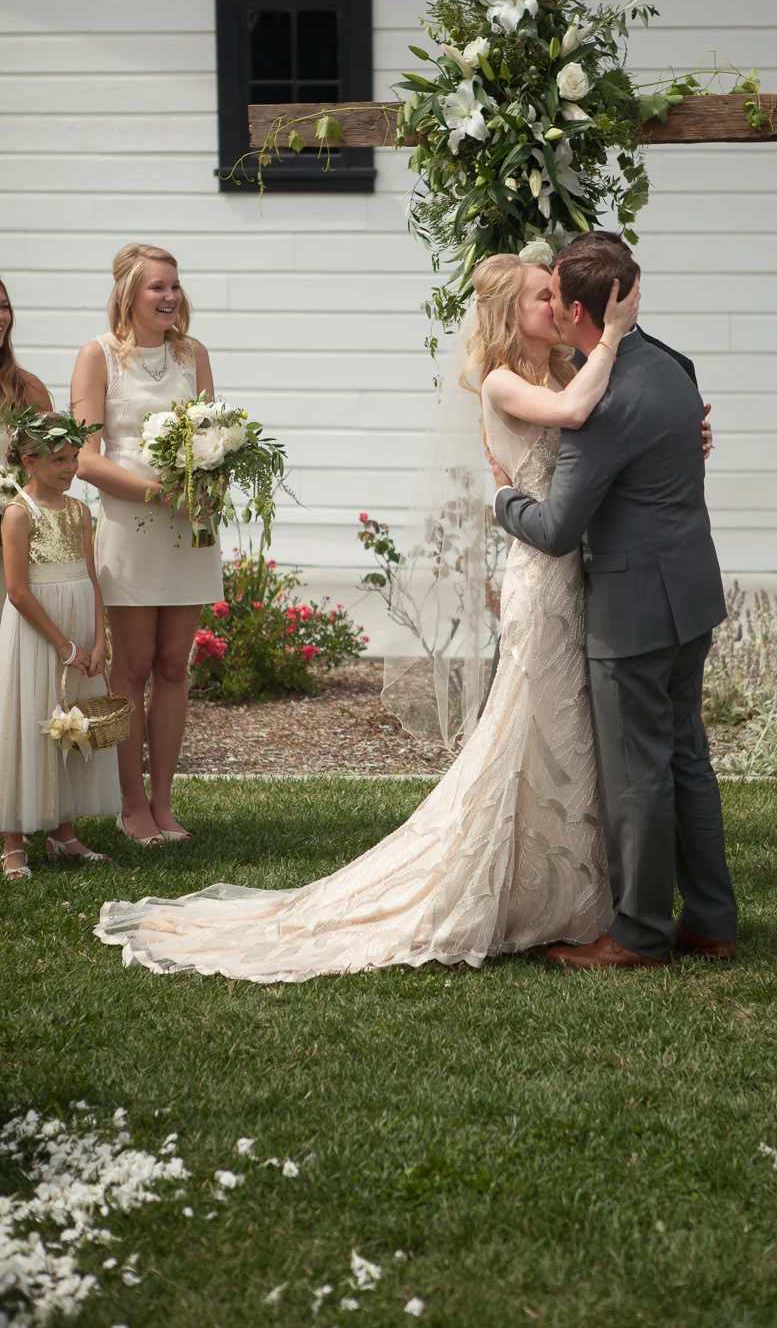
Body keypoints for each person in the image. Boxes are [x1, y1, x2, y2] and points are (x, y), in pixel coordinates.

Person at [93, 255, 640, 979]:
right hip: (538, 575)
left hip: (575, 571)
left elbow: (601, 431)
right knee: (528, 725)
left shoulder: (562, 372)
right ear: (513, 311)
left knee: (563, 729)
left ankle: (564, 888)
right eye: (544, 295)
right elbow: (574, 421)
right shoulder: (506, 382)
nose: (559, 304)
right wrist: (615, 335)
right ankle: (501, 885)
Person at [491, 232, 738, 970]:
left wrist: (504, 499)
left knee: (638, 775)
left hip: (634, 608)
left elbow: (559, 528)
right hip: (691, 594)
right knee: (687, 757)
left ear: (575, 310)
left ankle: (637, 934)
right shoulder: (670, 367)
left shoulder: (603, 408)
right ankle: (713, 921)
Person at [71, 243, 223, 847]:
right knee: (130, 669)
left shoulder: (194, 356)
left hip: (190, 529)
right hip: (131, 528)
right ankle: (129, 806)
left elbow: (214, 437)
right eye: (158, 287)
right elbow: (84, 459)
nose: (170, 297)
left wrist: (210, 482)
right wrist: (160, 494)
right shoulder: (98, 356)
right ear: (129, 295)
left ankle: (163, 803)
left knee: (173, 668)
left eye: (175, 287)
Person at [0, 410, 120, 882]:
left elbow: (91, 578)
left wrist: (97, 638)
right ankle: (12, 840)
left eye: (73, 458)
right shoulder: (16, 513)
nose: (71, 468)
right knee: (30, 725)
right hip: (38, 632)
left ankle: (62, 831)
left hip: (79, 627)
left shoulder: (80, 512)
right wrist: (64, 646)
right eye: (58, 460)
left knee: (72, 726)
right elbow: (18, 592)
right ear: (29, 462)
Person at [0, 274, 55, 605]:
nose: (0, 317)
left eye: (4, 307)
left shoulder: (28, 388)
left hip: (14, 543)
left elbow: (51, 471)